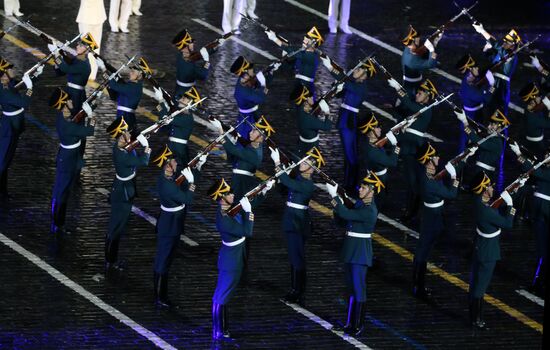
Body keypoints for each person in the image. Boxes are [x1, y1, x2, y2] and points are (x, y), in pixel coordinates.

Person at [325, 171, 384, 336]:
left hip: (360, 252)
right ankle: (350, 322)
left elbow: (346, 213)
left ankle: (358, 324)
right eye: (361, 187)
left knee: (359, 289)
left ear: (371, 192)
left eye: (364, 188)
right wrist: (337, 202)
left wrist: (335, 197)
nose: (360, 190)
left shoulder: (369, 210)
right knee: (351, 289)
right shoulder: (360, 204)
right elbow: (342, 219)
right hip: (351, 250)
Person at [269, 146, 324, 305]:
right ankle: (295, 289)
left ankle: (298, 291)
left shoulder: (308, 184)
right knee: (294, 257)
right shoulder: (299, 178)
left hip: (297, 223)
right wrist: (279, 178)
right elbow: (284, 188)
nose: (302, 163)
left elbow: (288, 182)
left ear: (312, 168)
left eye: (306, 162)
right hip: (291, 220)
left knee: (297, 257)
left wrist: (278, 163)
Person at [152, 151, 208, 307]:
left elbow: (185, 181)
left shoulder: (169, 178)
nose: (176, 163)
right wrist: (191, 184)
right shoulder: (168, 185)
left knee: (167, 259)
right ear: (168, 167)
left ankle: (160, 294)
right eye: (172, 162)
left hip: (172, 223)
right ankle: (159, 296)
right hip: (169, 225)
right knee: (163, 260)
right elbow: (187, 198)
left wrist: (198, 166)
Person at [468, 172, 522, 329]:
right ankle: (476, 319)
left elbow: (494, 205)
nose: (492, 188)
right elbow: (507, 224)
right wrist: (511, 205)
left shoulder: (479, 203)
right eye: (490, 186)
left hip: (480, 247)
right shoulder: (487, 211)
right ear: (484, 190)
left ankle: (474, 315)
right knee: (481, 286)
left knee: (476, 283)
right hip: (488, 252)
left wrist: (512, 190)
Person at [412, 143, 464, 299]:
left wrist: (460, 161)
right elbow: (451, 194)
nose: (438, 157)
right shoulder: (430, 182)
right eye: (434, 156)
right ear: (428, 161)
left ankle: (417, 284)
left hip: (431, 215)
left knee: (424, 250)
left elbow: (441, 174)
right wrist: (455, 177)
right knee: (424, 251)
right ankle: (418, 286)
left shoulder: (428, 173)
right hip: (432, 218)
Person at [320, 58, 376, 190]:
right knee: (348, 154)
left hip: (349, 121)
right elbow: (341, 93)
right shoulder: (355, 84)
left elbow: (345, 82)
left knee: (351, 155)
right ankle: (349, 183)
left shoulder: (361, 87)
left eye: (360, 69)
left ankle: (351, 185)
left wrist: (330, 68)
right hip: (345, 118)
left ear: (366, 75)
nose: (356, 70)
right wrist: (337, 86)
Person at [386, 77, 438, 222]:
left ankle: (412, 211)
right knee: (410, 181)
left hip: (415, 148)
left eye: (421, 93)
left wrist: (398, 88)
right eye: (418, 92)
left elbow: (409, 104)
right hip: (407, 147)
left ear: (428, 96)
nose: (417, 94)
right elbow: (404, 115)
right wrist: (394, 108)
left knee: (413, 182)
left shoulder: (426, 109)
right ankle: (411, 209)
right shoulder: (417, 108)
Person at [104, 117, 151, 273]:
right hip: (122, 192)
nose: (129, 135)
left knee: (119, 225)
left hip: (125, 188)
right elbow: (143, 162)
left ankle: (111, 258)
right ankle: (110, 259)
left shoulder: (123, 148)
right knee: (116, 225)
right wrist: (146, 147)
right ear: (120, 138)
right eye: (125, 133)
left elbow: (131, 150)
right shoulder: (122, 154)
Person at [49, 88, 95, 234]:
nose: (71, 101)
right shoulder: (68, 125)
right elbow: (90, 131)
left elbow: (76, 117)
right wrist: (91, 116)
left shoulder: (64, 117)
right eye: (68, 100)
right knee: (62, 190)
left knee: (63, 189)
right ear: (64, 104)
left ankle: (57, 221)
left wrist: (88, 108)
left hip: (68, 156)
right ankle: (57, 223)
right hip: (68, 159)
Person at [0, 59, 36, 199]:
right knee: (3, 161)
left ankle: (3, 190)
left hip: (13, 126)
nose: (12, 70)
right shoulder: (4, 91)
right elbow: (24, 103)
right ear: (4, 75)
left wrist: (35, 76)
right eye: (9, 69)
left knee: (7, 160)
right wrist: (30, 89)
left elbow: (18, 86)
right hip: (8, 129)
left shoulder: (8, 84)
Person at [472, 25, 521, 115]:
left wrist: (482, 31)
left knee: (498, 113)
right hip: (492, 82)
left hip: (501, 86)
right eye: (505, 41)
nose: (504, 43)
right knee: (489, 107)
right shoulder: (502, 54)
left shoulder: (511, 56)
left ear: (513, 45)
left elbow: (496, 45)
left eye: (508, 42)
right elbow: (490, 59)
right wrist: (485, 49)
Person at [265, 26, 325, 95]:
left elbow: (291, 50)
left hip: (305, 90)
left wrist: (274, 38)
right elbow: (291, 65)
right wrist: (279, 65)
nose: (303, 41)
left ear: (313, 44)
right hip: (298, 85)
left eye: (306, 40)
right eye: (304, 39)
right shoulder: (304, 53)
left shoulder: (311, 56)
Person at [455, 54, 496, 151]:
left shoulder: (470, 79)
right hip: (472, 116)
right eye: (475, 67)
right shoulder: (469, 90)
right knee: (467, 139)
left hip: (475, 113)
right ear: (469, 70)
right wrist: (492, 85)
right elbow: (487, 99)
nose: (477, 68)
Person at [358, 114, 399, 210]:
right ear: (371, 132)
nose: (380, 129)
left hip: (375, 176)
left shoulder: (369, 142)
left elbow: (381, 144)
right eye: (377, 127)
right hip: (378, 180)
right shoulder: (372, 151)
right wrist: (396, 145)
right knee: (377, 205)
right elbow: (392, 162)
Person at [455, 109, 509, 179]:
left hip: (484, 174)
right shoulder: (490, 137)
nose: (489, 127)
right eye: (489, 124)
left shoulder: (497, 142)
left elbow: (476, 140)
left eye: (492, 125)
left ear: (500, 128)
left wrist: (465, 121)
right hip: (477, 170)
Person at [230, 56, 269, 138]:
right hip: (248, 119)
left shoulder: (244, 81)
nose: (252, 71)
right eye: (249, 70)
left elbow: (253, 83)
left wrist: (270, 73)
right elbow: (261, 98)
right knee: (249, 139)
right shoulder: (243, 91)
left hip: (250, 114)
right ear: (244, 75)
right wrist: (263, 84)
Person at [288, 85, 331, 156]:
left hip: (301, 143)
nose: (312, 98)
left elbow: (313, 107)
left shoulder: (299, 109)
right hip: (311, 146)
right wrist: (327, 112)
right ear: (306, 100)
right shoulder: (308, 119)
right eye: (311, 97)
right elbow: (327, 127)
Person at [400, 26, 439, 97]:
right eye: (416, 38)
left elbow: (419, 48)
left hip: (411, 82)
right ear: (413, 40)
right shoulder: (412, 61)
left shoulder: (408, 48)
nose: (418, 39)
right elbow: (431, 64)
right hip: (413, 87)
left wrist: (433, 40)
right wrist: (432, 48)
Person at [171, 29, 211, 98]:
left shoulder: (181, 55)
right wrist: (207, 61)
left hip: (179, 89)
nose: (193, 44)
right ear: (185, 46)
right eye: (190, 43)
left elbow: (193, 56)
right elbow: (203, 76)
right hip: (187, 93)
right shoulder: (190, 66)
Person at [107, 65, 145, 135]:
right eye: (131, 71)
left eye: (133, 72)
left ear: (140, 75)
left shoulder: (134, 87)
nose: (130, 73)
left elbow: (115, 86)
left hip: (127, 118)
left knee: (123, 141)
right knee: (120, 142)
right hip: (122, 115)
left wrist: (104, 69)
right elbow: (115, 97)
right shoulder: (131, 85)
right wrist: (109, 87)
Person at [517, 82, 550, 159]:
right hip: (536, 144)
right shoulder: (533, 118)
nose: (540, 98)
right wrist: (549, 106)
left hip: (531, 139)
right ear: (532, 102)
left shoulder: (529, 110)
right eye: (538, 97)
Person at [76, 0, 107, 81]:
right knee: (93, 48)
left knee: (87, 48)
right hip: (94, 16)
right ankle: (91, 73)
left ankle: (88, 73)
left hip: (89, 17)